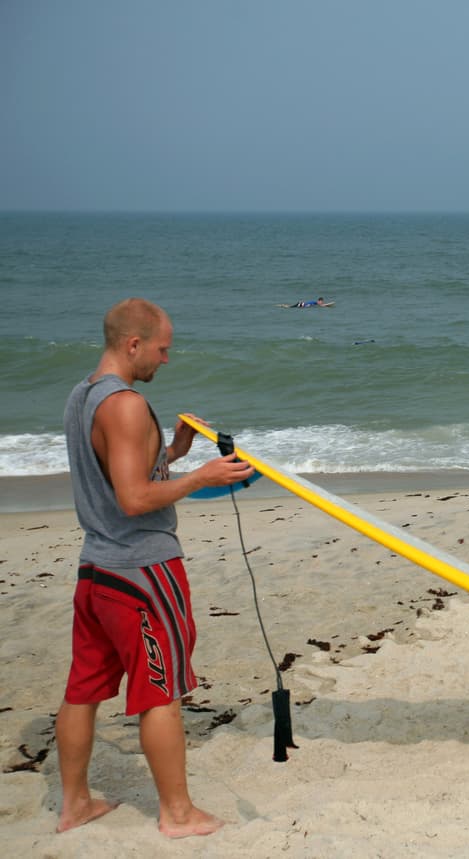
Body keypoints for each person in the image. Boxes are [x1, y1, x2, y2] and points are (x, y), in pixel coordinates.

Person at [56, 298, 255, 838]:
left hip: (97, 570)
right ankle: (179, 814)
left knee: (83, 690)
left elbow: (123, 470)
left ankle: (74, 804)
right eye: (162, 349)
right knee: (160, 693)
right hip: (140, 572)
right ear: (133, 343)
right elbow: (134, 498)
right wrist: (202, 478)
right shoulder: (124, 405)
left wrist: (175, 451)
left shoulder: (83, 396)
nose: (166, 360)